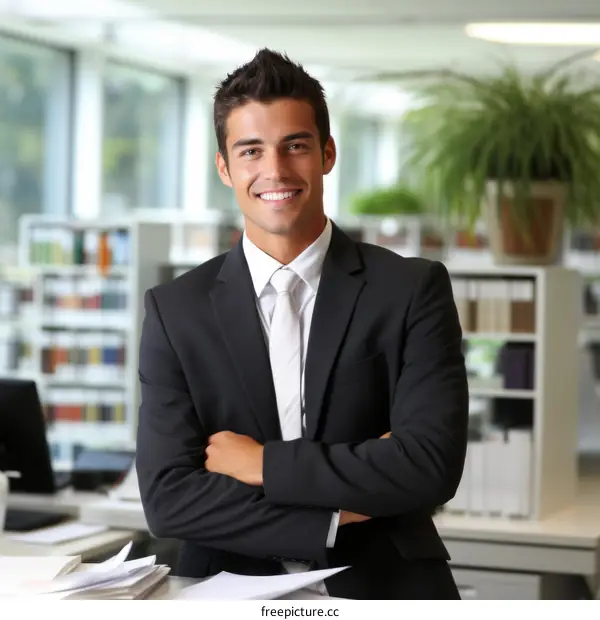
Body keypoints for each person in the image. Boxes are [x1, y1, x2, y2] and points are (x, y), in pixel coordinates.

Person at [136, 48, 469, 600]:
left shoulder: (412, 289)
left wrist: (260, 463)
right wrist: (334, 516)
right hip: (226, 588)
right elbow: (169, 498)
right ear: (225, 168)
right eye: (251, 151)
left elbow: (428, 465)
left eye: (295, 145)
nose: (275, 171)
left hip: (386, 586)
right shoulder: (176, 309)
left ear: (327, 154)